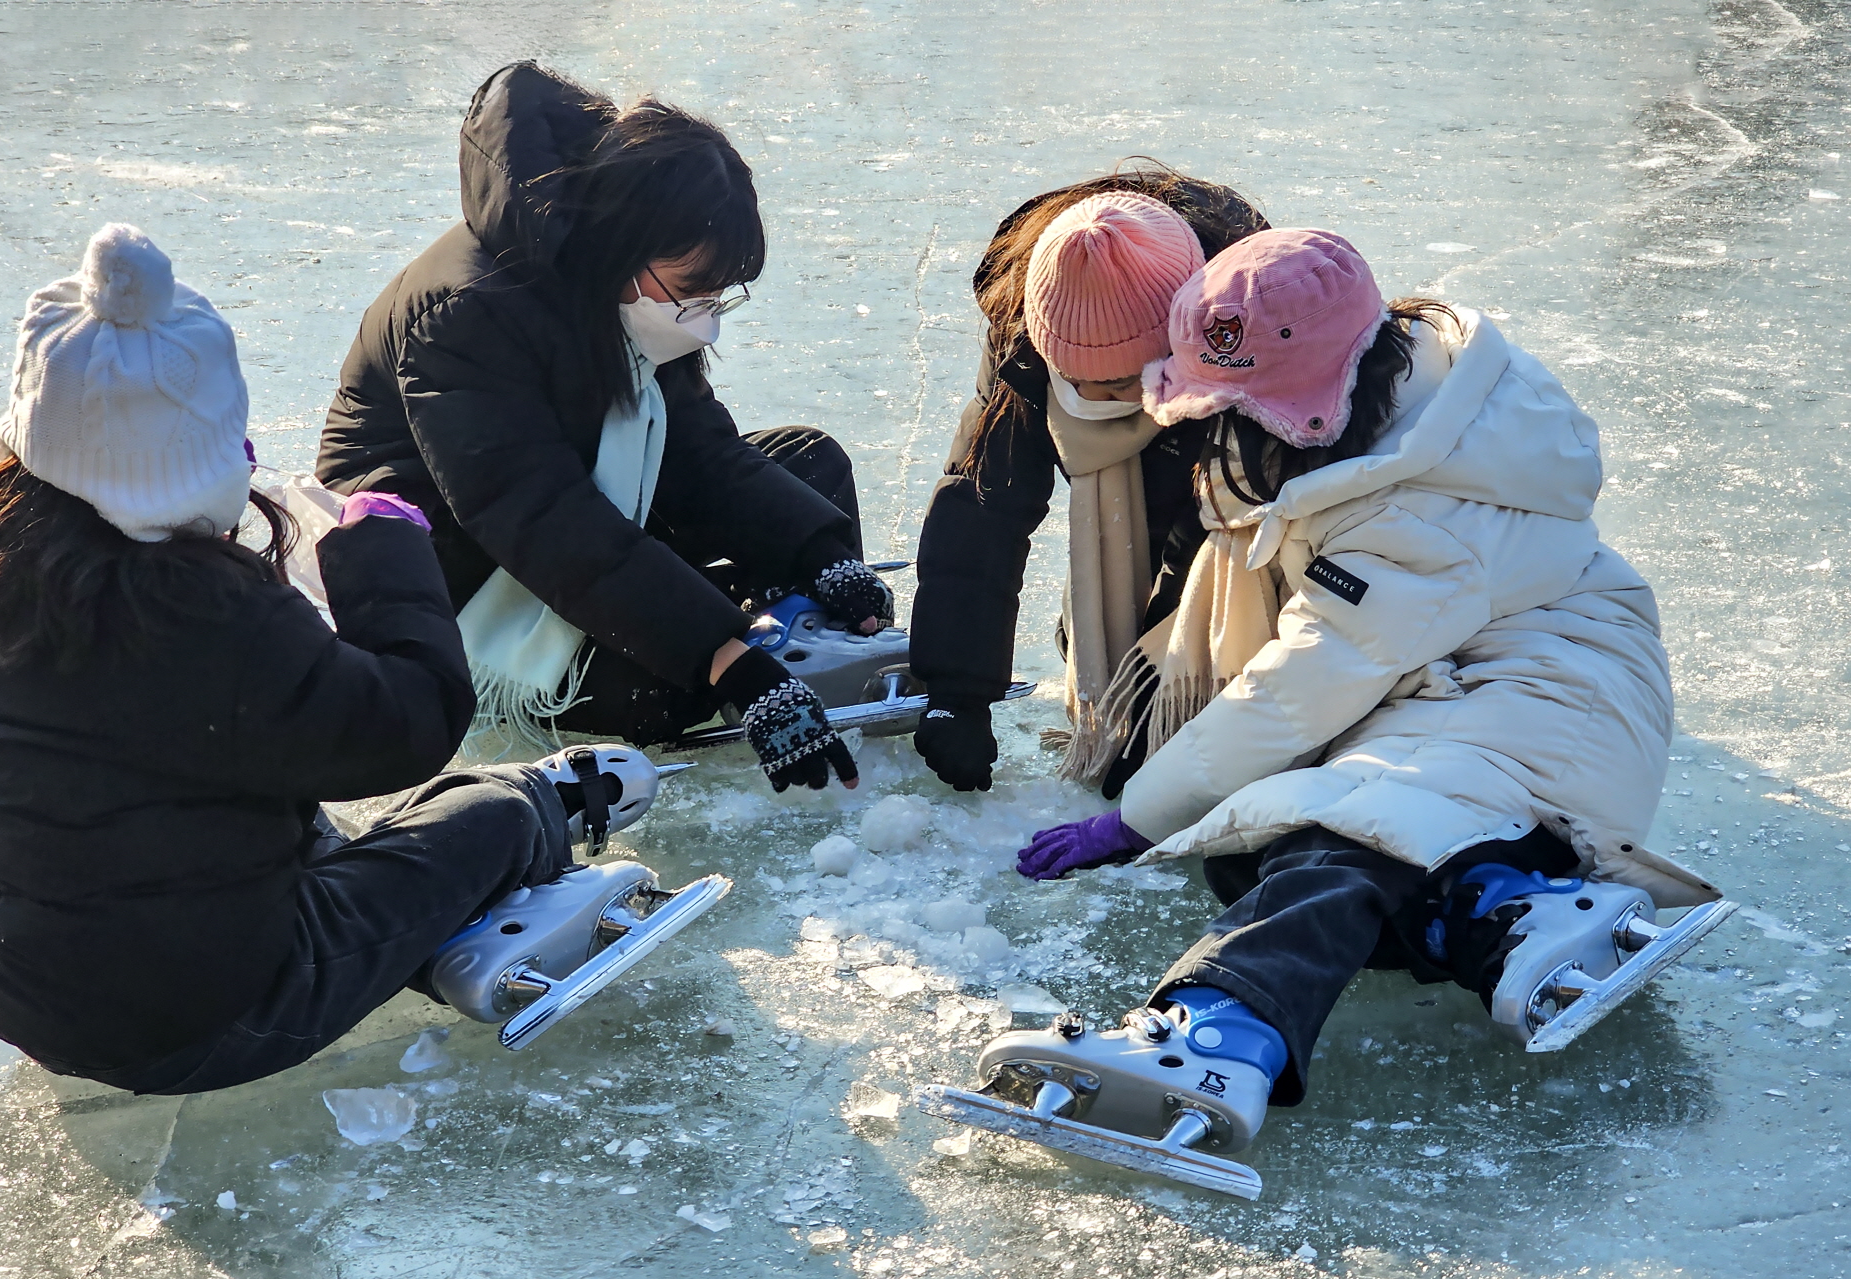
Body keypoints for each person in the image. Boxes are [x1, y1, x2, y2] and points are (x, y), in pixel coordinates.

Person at [984, 229, 1725, 1156]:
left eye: (1238, 411)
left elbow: (1293, 693)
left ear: (1309, 410)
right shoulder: (1405, 410)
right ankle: (1499, 903)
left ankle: (1219, 1036)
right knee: (1255, 854)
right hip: (1479, 689)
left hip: (1547, 703)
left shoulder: (1412, 519)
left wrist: (1137, 816)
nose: (1219, 435)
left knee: (1341, 843)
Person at [0, 225, 627, 1094]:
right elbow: (411, 723)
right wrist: (385, 554)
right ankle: (529, 819)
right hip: (206, 1015)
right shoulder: (204, 611)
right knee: (494, 814)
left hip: (9, 980)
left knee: (220, 798)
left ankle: (388, 907)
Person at [315, 61, 881, 792]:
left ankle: (777, 633)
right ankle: (734, 652)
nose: (705, 318)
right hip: (459, 570)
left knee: (810, 469)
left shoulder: (619, 286)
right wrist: (722, 658)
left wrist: (818, 551)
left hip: (579, 498)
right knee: (665, 689)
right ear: (626, 246)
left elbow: (699, 451)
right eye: (693, 291)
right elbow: (544, 522)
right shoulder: (465, 312)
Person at [907, 166, 1269, 796]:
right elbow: (984, 503)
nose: (1098, 400)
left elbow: (1214, 535)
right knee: (1106, 583)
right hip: (1131, 479)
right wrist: (955, 693)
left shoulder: (1243, 332)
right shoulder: (1030, 326)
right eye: (1078, 384)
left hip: (1242, 523)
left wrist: (1157, 681)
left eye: (1124, 383)